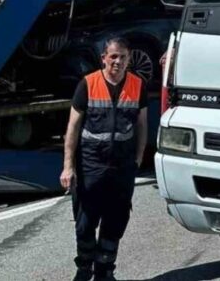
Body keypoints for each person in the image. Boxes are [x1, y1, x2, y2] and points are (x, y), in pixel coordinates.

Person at [62, 37, 148, 281]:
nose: (118, 61)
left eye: (122, 56)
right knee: (85, 222)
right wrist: (68, 167)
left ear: (129, 59)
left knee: (116, 220)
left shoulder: (137, 85)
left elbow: (142, 125)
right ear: (103, 58)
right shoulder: (87, 84)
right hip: (91, 164)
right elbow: (73, 127)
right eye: (113, 56)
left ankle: (105, 271)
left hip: (122, 166)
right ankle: (84, 269)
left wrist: (139, 158)